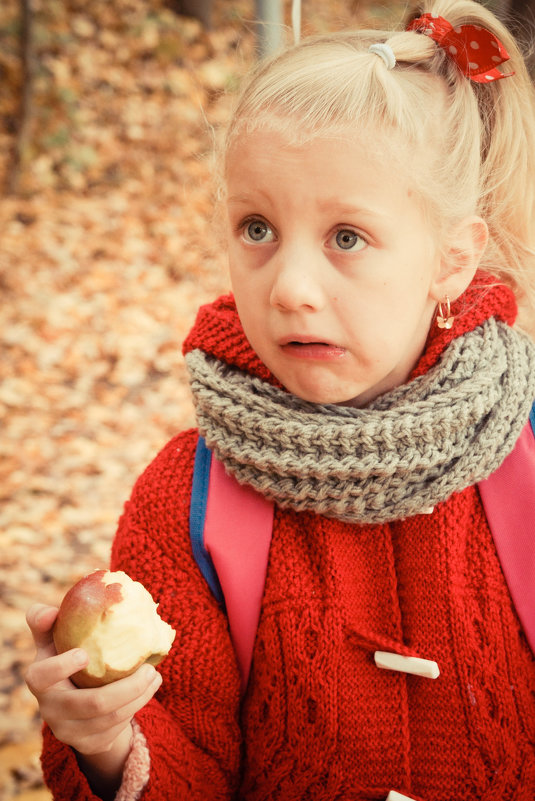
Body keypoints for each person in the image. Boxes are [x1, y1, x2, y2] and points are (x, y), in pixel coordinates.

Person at [24, 1, 535, 799]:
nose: (291, 289)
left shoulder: (526, 465)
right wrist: (108, 742)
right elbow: (184, 753)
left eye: (346, 237)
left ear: (451, 258)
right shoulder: (185, 501)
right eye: (257, 228)